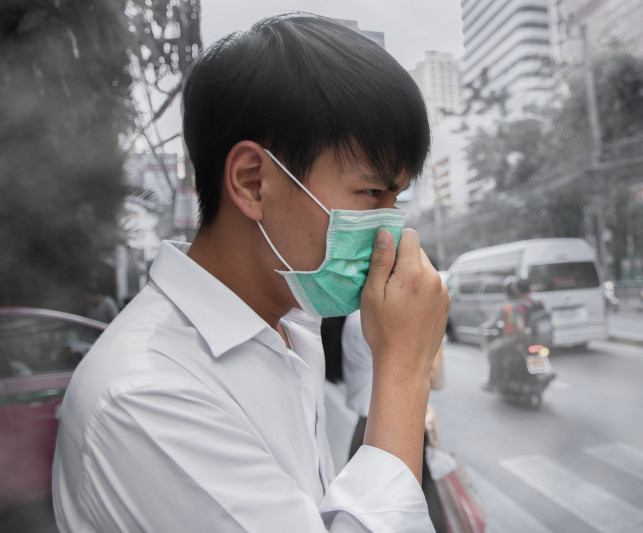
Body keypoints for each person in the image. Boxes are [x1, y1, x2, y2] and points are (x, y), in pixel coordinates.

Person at [52, 14, 450, 533]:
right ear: (253, 182)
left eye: (397, 200)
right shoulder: (148, 396)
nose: (388, 232)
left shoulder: (288, 329)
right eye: (372, 194)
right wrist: (403, 371)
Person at [322, 311, 447, 532]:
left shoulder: (356, 316)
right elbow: (436, 378)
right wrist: (434, 321)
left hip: (368, 429)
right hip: (392, 433)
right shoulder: (383, 316)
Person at [483, 276, 539, 390]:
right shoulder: (535, 303)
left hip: (517, 339)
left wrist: (521, 342)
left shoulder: (512, 306)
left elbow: (520, 327)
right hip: (535, 339)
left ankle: (493, 381)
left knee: (493, 351)